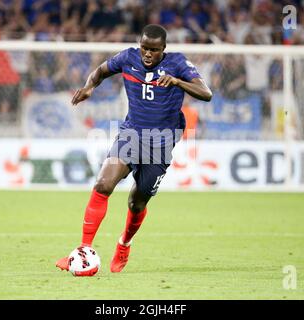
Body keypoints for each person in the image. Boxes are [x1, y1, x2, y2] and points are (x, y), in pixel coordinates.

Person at [56, 24, 212, 274]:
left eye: (154, 50)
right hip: (131, 134)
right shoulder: (128, 57)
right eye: (144, 48)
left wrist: (178, 81)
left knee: (136, 203)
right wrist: (89, 87)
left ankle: (124, 244)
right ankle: (84, 248)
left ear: (163, 49)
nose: (147, 54)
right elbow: (100, 71)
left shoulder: (178, 64)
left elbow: (206, 93)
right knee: (103, 184)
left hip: (161, 141)